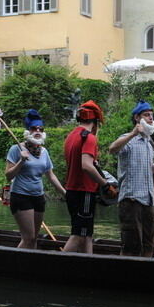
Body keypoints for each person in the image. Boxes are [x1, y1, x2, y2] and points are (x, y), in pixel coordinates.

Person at [7, 110, 66, 249]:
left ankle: (29, 267)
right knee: (28, 238)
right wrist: (21, 161)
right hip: (21, 196)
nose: (38, 131)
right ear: (28, 131)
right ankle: (14, 265)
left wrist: (65, 193)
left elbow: (50, 175)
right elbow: (8, 175)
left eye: (41, 128)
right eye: (34, 128)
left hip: (38, 197)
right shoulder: (16, 149)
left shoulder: (44, 152)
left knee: (34, 239)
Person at [109, 101, 154, 257]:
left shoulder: (149, 144)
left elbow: (150, 168)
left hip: (149, 200)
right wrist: (133, 134)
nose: (150, 118)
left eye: (151, 115)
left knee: (150, 243)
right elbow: (112, 149)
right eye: (146, 115)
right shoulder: (128, 139)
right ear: (137, 118)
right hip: (131, 200)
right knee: (131, 244)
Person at [64, 100, 113, 254]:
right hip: (84, 191)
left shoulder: (71, 136)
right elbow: (86, 166)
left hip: (71, 190)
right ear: (95, 121)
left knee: (86, 234)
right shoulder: (89, 138)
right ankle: (56, 264)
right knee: (78, 234)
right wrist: (105, 184)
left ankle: (89, 265)